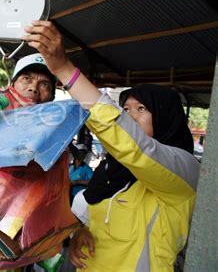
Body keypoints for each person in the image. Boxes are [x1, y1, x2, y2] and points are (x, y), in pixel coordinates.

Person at [22, 20, 201, 271]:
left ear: (165, 118)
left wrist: (64, 69)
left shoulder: (183, 171)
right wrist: (78, 234)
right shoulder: (112, 172)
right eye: (126, 109)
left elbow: (134, 146)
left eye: (141, 109)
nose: (130, 116)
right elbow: (89, 215)